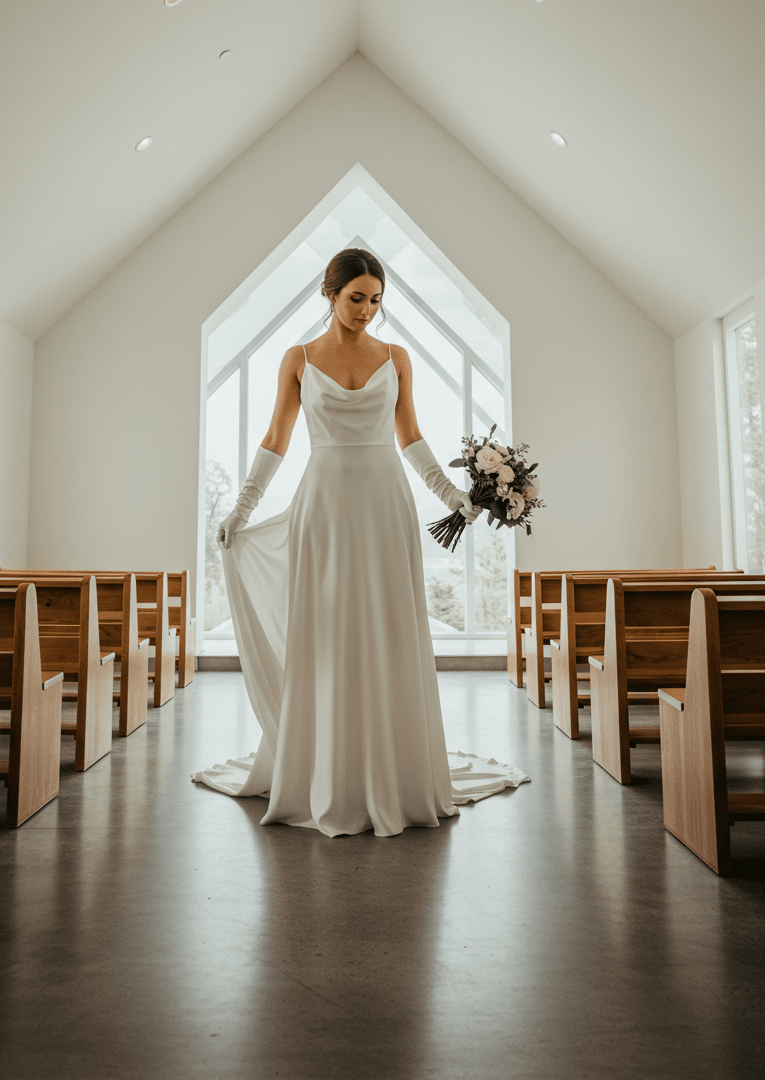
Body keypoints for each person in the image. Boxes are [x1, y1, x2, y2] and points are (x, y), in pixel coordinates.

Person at [192, 249, 529, 836]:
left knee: (388, 625)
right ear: (330, 294)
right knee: (325, 629)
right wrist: (241, 508)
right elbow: (276, 438)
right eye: (357, 298)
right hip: (322, 505)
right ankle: (327, 769)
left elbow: (412, 437)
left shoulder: (396, 357)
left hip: (383, 504)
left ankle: (392, 768)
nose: (367, 311)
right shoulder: (297, 358)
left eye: (376, 300)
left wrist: (455, 498)